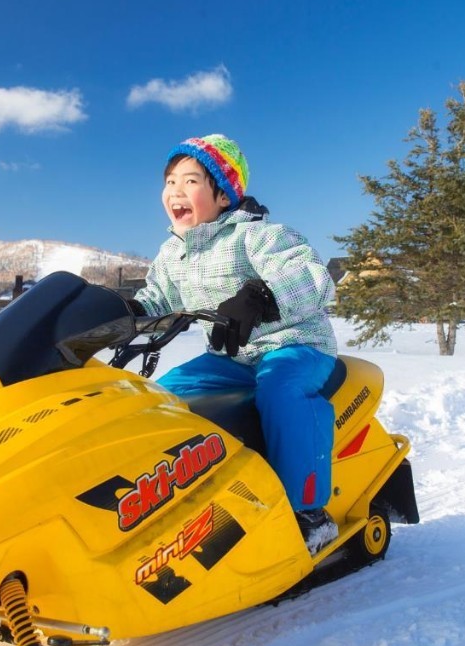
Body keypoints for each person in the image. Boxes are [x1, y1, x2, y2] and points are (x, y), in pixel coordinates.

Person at [129, 134, 340, 553]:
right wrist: (123, 311)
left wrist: (263, 296)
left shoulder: (258, 236)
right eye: (170, 182)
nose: (175, 191)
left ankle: (310, 513)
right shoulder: (173, 255)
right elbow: (157, 301)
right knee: (164, 399)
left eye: (190, 181)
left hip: (295, 344)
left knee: (282, 390)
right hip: (231, 358)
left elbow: (316, 279)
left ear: (223, 196)